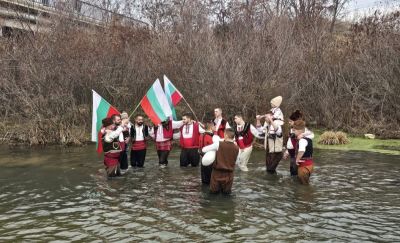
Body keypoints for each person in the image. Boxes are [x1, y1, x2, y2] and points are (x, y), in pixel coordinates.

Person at [202, 128, 239, 194]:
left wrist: (214, 151)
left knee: (213, 194)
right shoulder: (237, 148)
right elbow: (237, 162)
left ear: (226, 135)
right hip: (229, 174)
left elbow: (204, 150)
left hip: (217, 173)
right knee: (226, 195)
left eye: (224, 134)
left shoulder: (218, 144)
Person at [283, 110, 314, 176]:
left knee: (296, 173)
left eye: (290, 121)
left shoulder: (302, 130)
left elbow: (312, 134)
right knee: (292, 172)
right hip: (292, 155)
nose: (289, 122)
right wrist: (287, 152)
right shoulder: (292, 129)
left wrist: (303, 135)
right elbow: (290, 142)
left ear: (296, 121)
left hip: (298, 155)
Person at [290, 120, 314, 184]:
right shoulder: (308, 137)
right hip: (309, 165)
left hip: (304, 167)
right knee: (304, 184)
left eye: (294, 130)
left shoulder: (302, 140)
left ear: (300, 131)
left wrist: (297, 160)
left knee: (303, 187)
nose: (293, 132)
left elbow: (301, 151)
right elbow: (311, 133)